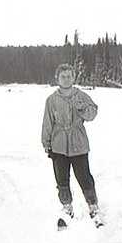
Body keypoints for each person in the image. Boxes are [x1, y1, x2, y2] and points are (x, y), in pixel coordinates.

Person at [42, 63, 102, 227]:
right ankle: (67, 207)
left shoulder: (80, 95)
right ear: (57, 78)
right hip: (58, 145)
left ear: (73, 78)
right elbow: (47, 123)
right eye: (63, 76)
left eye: (69, 76)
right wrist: (46, 143)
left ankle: (93, 206)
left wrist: (82, 109)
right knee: (61, 179)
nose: (66, 79)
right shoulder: (51, 100)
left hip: (79, 143)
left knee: (84, 177)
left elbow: (93, 113)